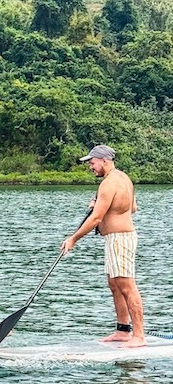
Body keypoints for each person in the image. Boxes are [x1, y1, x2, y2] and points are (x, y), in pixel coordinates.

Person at [61, 144, 145, 347]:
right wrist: (100, 203)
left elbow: (96, 218)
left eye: (92, 162)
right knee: (115, 285)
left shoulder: (108, 184)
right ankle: (123, 330)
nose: (90, 167)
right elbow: (132, 207)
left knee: (127, 286)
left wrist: (73, 238)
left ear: (104, 161)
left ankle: (139, 336)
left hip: (120, 238)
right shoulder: (123, 178)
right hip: (115, 239)